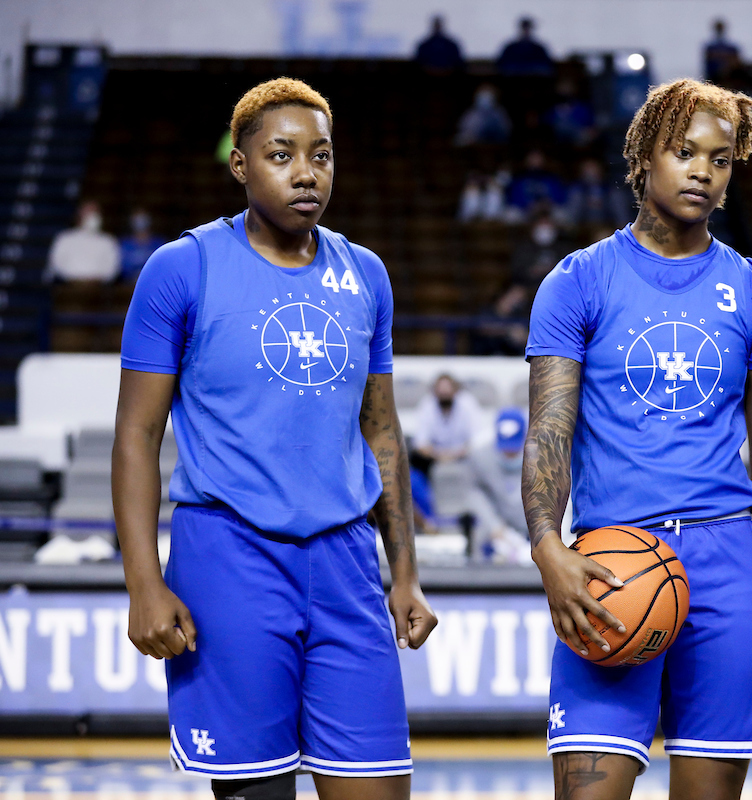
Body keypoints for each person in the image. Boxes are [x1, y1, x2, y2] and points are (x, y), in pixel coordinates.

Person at [112, 78, 436, 800]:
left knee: (379, 787)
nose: (305, 173)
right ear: (240, 165)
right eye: (281, 154)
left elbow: (381, 429)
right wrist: (143, 583)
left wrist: (404, 572)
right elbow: (136, 433)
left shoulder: (367, 274)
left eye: (321, 156)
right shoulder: (181, 269)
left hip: (348, 562)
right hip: (229, 557)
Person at [523, 79, 752, 800]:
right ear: (642, 157)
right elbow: (548, 432)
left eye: (720, 158)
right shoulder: (578, 281)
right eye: (684, 152)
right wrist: (548, 546)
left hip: (726, 564)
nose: (703, 171)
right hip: (612, 562)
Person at [468, 407, 531, 563]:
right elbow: (474, 492)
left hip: (530, 529)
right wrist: (494, 526)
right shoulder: (481, 457)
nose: (509, 453)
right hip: (495, 527)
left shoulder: (539, 457)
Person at [412, 373, 483, 464]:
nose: (444, 392)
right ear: (435, 391)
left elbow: (477, 440)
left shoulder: (468, 403)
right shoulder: (426, 404)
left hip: (463, 456)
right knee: (415, 457)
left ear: (456, 390)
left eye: (447, 388)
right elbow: (420, 442)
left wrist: (456, 455)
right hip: (434, 457)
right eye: (441, 389)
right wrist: (438, 456)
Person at [45, 199, 120, 282]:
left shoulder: (108, 240)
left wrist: (94, 279)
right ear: (79, 214)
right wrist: (74, 279)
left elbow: (112, 269)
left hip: (98, 288)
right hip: (68, 286)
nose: (92, 215)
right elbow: (56, 264)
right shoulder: (64, 238)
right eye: (88, 212)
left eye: (95, 212)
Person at [119, 207, 167, 282]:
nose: (140, 221)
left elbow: (162, 266)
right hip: (130, 283)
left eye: (143, 217)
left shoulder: (158, 243)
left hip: (154, 281)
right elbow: (123, 268)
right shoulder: (125, 244)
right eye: (137, 217)